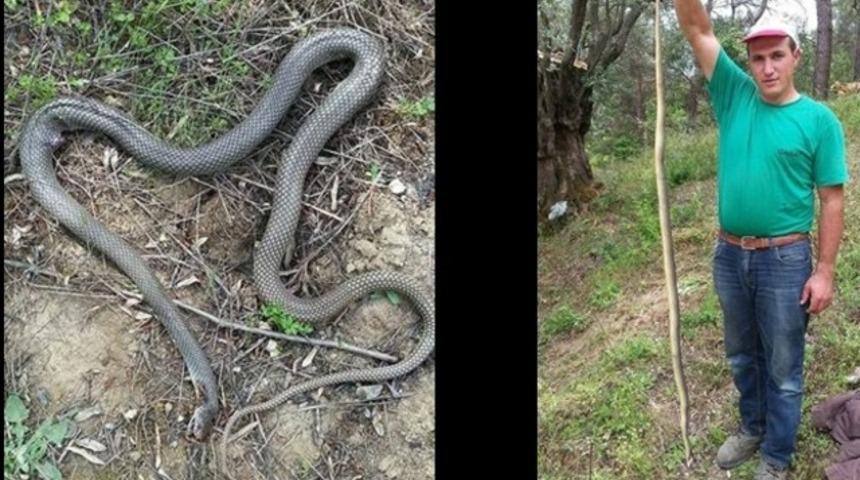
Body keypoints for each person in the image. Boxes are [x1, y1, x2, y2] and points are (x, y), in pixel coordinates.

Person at [672, 2, 849, 480]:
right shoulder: (734, 95)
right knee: (740, 352)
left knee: (784, 367)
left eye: (776, 56)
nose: (767, 68)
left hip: (786, 259)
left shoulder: (819, 121)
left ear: (796, 56)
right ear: (748, 63)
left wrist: (825, 270)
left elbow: (831, 201)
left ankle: (777, 455)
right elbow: (696, 27)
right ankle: (752, 426)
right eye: (757, 59)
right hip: (729, 255)